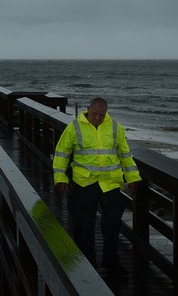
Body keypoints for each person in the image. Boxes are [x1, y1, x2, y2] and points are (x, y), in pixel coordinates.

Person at [53, 97, 141, 275]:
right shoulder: (74, 127)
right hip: (83, 183)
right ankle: (87, 264)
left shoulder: (115, 127)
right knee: (83, 225)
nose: (98, 118)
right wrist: (60, 178)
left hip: (110, 184)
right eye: (95, 114)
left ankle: (111, 261)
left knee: (112, 224)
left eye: (101, 115)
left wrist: (132, 177)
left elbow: (125, 154)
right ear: (88, 110)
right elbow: (62, 154)